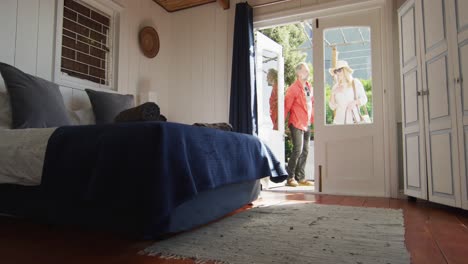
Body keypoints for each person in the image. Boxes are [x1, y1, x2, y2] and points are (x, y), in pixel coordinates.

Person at [284, 62, 314, 187]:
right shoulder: (293, 89)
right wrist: (282, 124)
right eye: (305, 71)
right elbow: (286, 106)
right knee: (298, 150)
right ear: (298, 73)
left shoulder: (308, 86)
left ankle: (300, 177)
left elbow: (311, 104)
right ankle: (290, 178)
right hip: (296, 122)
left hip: (307, 123)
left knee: (305, 151)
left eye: (308, 71)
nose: (307, 73)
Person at [328, 60, 368, 125]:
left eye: (339, 70)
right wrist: (333, 93)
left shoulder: (355, 83)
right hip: (339, 122)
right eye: (335, 71)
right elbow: (332, 107)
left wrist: (355, 102)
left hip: (354, 121)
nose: (337, 73)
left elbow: (364, 99)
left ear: (345, 70)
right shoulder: (335, 87)